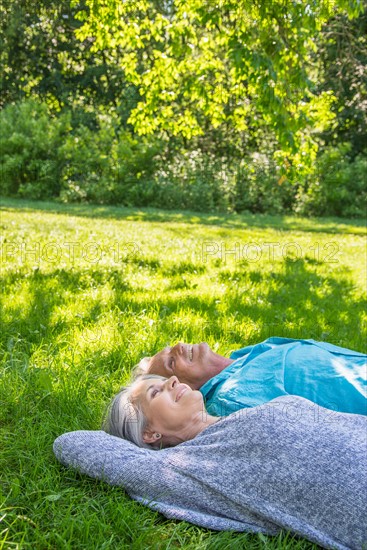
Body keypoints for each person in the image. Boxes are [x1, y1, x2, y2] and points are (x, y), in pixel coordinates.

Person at [79, 372, 367, 549]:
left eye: (166, 381)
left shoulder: (240, 414)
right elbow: (73, 443)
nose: (173, 380)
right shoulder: (185, 464)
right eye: (157, 392)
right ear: (149, 433)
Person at [132, 337, 367, 416]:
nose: (179, 346)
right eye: (172, 362)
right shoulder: (231, 399)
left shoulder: (243, 355)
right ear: (179, 388)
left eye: (171, 348)